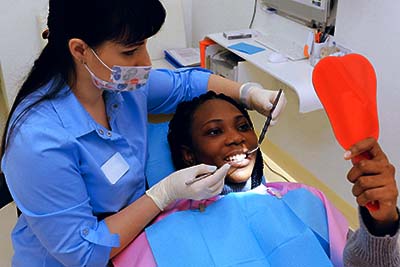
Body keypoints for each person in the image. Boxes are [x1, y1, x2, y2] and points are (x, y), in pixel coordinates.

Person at [0, 1, 287, 266]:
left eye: (144, 45)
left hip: (136, 247)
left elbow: (185, 84)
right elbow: (82, 253)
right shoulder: (38, 141)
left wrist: (249, 93)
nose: (145, 62)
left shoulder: (122, 88)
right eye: (129, 51)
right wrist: (162, 195)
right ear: (79, 50)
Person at [113, 91, 400, 267]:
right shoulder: (161, 233)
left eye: (243, 126)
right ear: (188, 155)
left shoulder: (303, 199)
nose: (236, 137)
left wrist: (381, 223)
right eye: (214, 131)